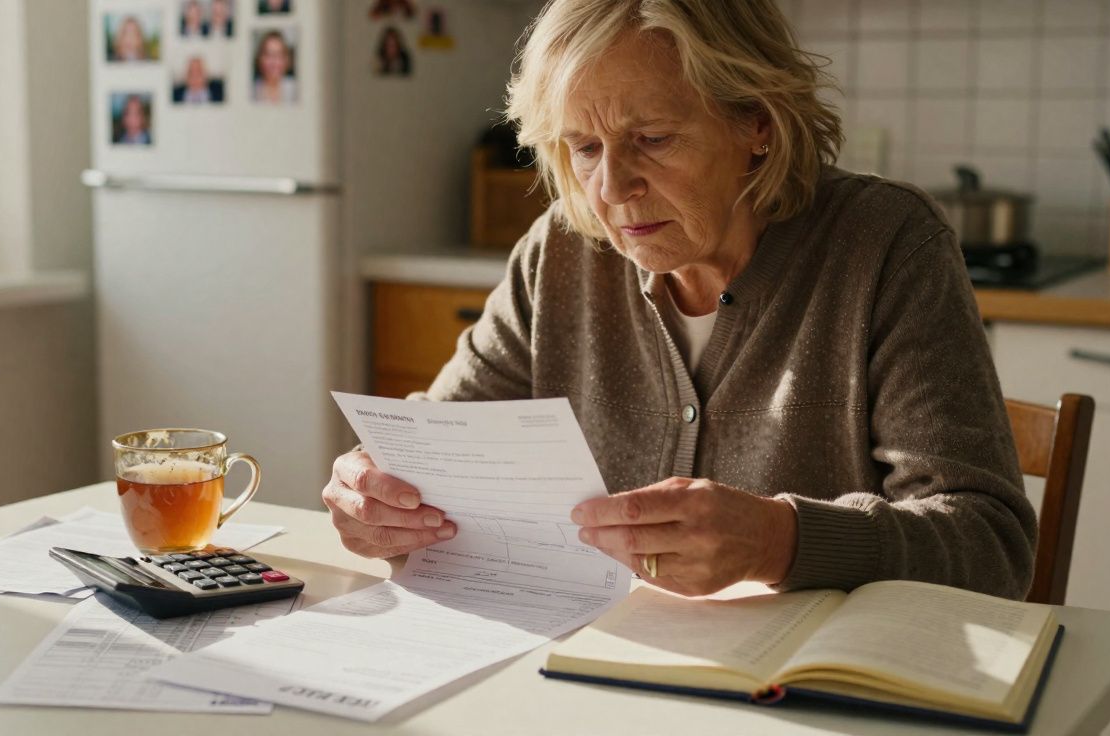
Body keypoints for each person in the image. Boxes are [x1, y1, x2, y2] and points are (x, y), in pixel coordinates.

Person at [323, 0, 1037, 600]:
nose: (610, 190)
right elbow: (439, 448)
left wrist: (781, 541)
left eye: (653, 139)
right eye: (585, 147)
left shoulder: (883, 245)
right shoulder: (561, 253)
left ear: (757, 121)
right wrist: (379, 491)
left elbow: (991, 545)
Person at [252, 31, 297, 103]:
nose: (274, 62)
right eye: (268, 55)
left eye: (278, 55)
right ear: (259, 59)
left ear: (286, 60)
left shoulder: (295, 90)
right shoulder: (251, 91)